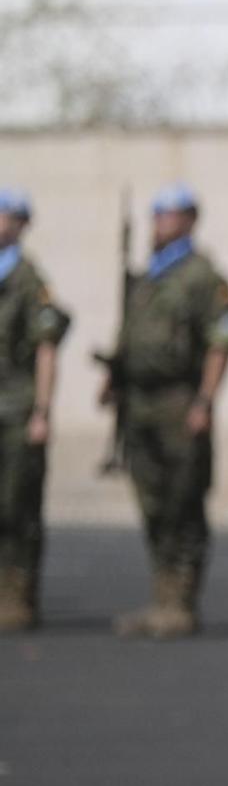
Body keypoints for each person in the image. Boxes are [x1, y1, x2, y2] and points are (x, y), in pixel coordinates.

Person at [107, 184, 228, 639]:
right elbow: (127, 336)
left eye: (169, 214)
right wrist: (114, 380)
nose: (159, 222)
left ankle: (182, 601)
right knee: (153, 501)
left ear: (190, 220)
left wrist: (204, 400)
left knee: (184, 500)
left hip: (180, 400)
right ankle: (161, 597)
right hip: (140, 401)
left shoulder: (203, 277)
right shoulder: (147, 277)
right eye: (156, 214)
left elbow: (221, 343)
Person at [0, 190, 71, 633]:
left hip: (17, 409)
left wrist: (42, 411)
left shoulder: (29, 281)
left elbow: (46, 350)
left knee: (17, 506)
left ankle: (17, 596)